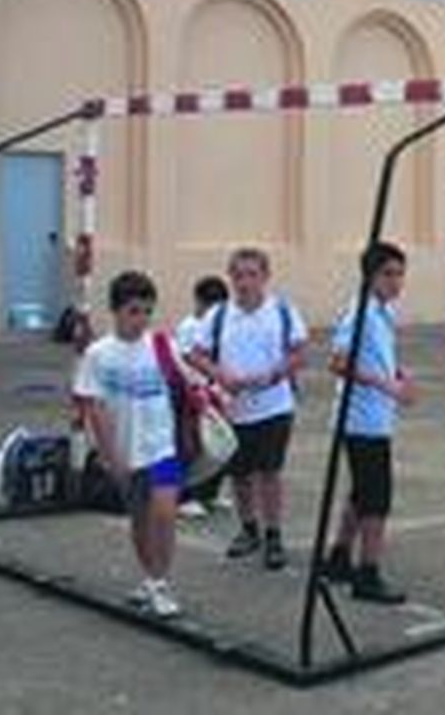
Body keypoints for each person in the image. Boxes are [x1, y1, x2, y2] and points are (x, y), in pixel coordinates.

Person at [72, 271, 184, 618]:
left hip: (162, 447)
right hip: (126, 452)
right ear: (116, 311)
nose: (142, 319)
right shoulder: (99, 355)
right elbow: (94, 406)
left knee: (165, 513)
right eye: (134, 311)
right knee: (140, 520)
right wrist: (111, 457)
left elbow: (185, 385)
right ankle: (149, 579)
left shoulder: (162, 345)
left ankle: (160, 581)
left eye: (148, 311)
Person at [189, 248, 307, 570]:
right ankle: (248, 530)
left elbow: (299, 354)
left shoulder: (282, 311)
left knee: (270, 474)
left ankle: (273, 535)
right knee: (239, 475)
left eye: (252, 274)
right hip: (233, 409)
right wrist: (221, 376)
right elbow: (196, 354)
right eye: (238, 275)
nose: (244, 282)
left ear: (265, 277)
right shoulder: (219, 315)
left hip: (274, 407)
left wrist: (272, 375)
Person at [322, 241, 415, 604]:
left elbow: (378, 357)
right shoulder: (359, 313)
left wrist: (399, 376)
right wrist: (385, 385)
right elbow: (338, 363)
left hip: (376, 417)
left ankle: (339, 557)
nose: (396, 282)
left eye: (400, 274)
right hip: (361, 420)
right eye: (388, 274)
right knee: (377, 499)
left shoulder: (382, 312)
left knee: (361, 492)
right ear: (370, 276)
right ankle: (368, 573)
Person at [174, 275, 229, 518]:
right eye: (208, 306)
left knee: (220, 445)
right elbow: (187, 361)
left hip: (216, 392)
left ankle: (209, 492)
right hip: (193, 393)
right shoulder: (190, 327)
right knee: (191, 447)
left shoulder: (220, 325)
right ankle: (183, 496)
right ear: (199, 303)